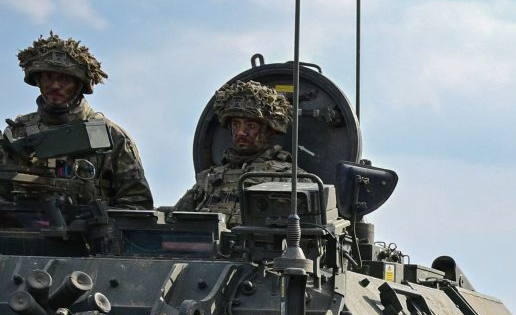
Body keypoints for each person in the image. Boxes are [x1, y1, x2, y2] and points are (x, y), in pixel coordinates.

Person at [5, 33, 152, 208]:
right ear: (38, 80)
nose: (55, 86)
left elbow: (137, 205)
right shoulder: (18, 133)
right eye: (48, 77)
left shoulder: (111, 136)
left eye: (64, 79)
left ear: (79, 85)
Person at [175, 80, 297, 221]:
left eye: (250, 126)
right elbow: (174, 221)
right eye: (235, 125)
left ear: (268, 131)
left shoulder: (290, 178)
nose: (240, 132)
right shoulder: (209, 179)